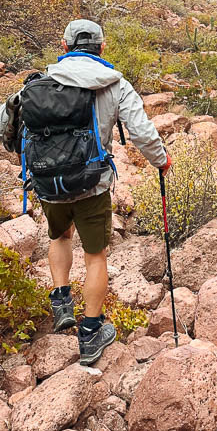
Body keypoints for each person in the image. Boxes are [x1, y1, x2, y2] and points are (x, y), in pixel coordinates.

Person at [0, 20, 171, 365]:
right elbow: (140, 130)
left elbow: (7, 122)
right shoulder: (115, 84)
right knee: (96, 256)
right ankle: (91, 334)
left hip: (48, 184)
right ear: (101, 48)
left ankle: (62, 300)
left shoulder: (39, 83)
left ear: (64, 47)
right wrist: (161, 160)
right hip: (92, 184)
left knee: (60, 237)